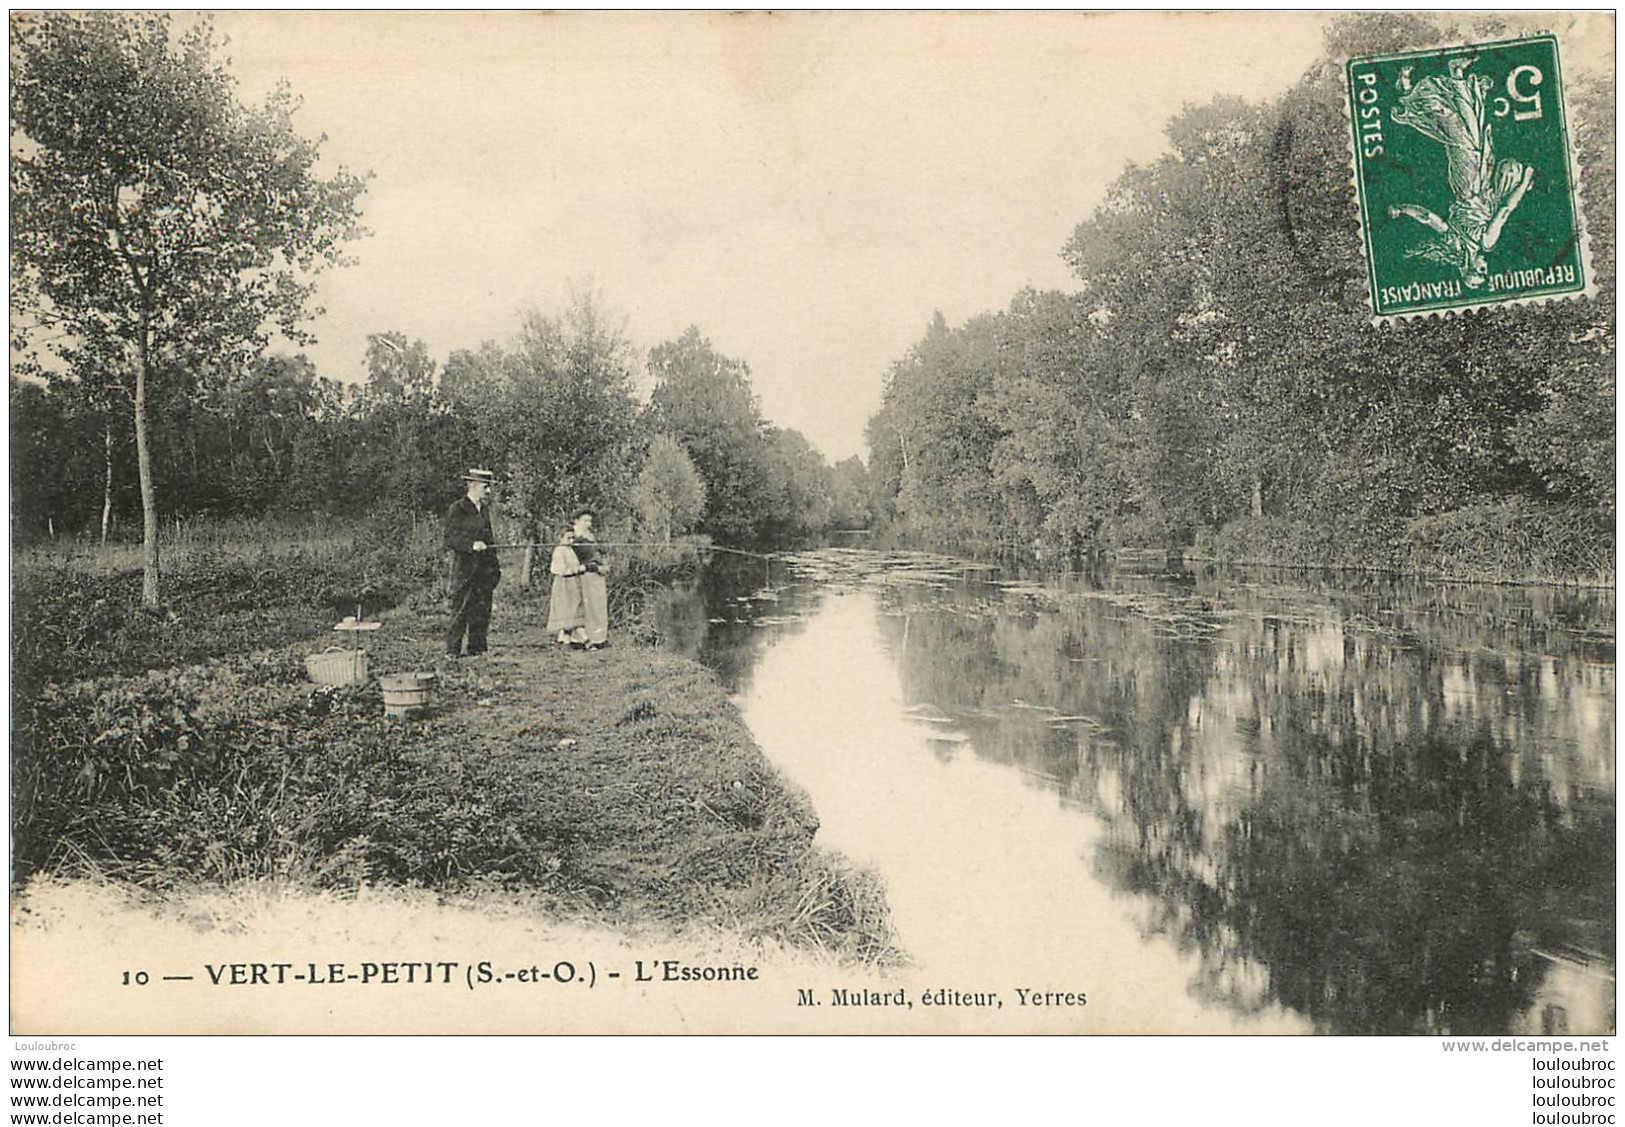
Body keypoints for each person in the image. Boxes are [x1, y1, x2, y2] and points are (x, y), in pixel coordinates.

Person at [443, 468, 501, 658]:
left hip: (484, 572)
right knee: (460, 611)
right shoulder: (458, 508)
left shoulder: (483, 510)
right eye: (485, 487)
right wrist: (471, 544)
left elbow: (489, 540)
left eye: (489, 488)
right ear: (473, 486)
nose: (488, 492)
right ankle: (452, 651)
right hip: (465, 571)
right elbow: (450, 538)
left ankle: (477, 649)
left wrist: (495, 569)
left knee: (482, 611)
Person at [546, 508, 610, 650]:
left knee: (595, 607)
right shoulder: (572, 538)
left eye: (590, 521)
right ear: (576, 521)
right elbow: (569, 562)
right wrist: (589, 567)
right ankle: (578, 639)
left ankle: (596, 637)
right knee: (579, 609)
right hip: (579, 578)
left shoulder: (588, 535)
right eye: (585, 520)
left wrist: (603, 564)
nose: (588, 523)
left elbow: (599, 553)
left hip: (592, 575)